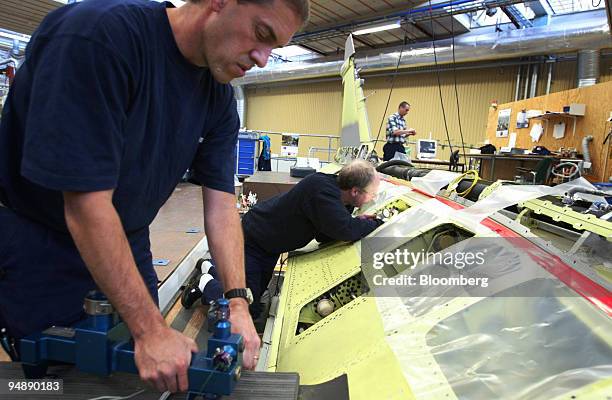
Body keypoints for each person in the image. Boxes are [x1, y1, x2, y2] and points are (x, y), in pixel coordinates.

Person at [0, 0, 308, 393]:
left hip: (128, 237)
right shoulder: (100, 37)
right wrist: (150, 331)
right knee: (54, 378)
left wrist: (236, 303)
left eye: (275, 48)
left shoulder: (217, 98)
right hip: (41, 238)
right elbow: (84, 204)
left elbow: (221, 203)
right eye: (262, 35)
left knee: (135, 370)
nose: (263, 60)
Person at [181, 160, 384, 317]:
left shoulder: (337, 196)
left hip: (269, 245)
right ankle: (204, 283)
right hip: (254, 240)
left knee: (256, 296)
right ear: (355, 191)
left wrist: (357, 221)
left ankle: (210, 267)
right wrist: (375, 223)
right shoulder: (322, 191)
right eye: (371, 194)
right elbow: (345, 230)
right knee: (244, 306)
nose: (372, 198)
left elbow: (327, 233)